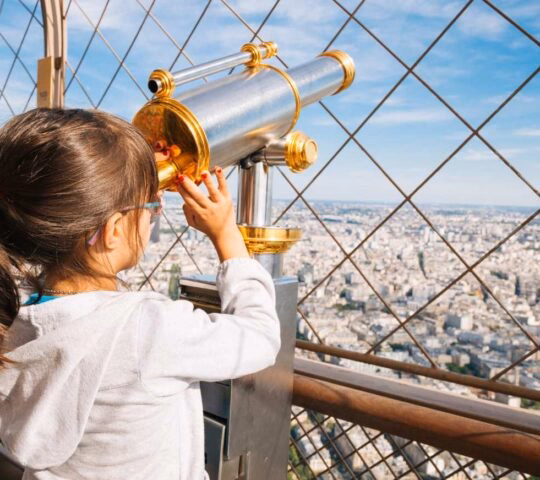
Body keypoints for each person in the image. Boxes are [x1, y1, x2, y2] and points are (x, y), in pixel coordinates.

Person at [0, 108, 280, 480]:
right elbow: (260, 337)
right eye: (152, 206)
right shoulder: (146, 330)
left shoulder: (12, 311)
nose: (156, 212)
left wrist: (130, 166)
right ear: (114, 229)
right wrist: (227, 235)